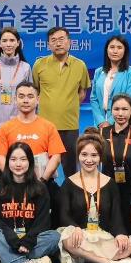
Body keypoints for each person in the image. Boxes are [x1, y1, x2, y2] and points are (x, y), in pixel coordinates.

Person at [57, 130, 131, 263]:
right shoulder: (68, 183)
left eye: (94, 155)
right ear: (78, 156)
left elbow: (116, 215)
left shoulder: (110, 183)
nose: (89, 160)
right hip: (79, 236)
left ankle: (84, 258)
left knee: (128, 246)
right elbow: (63, 215)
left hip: (101, 235)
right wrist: (75, 228)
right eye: (84, 155)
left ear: (100, 157)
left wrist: (120, 234)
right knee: (69, 241)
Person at [0, 142, 61, 263]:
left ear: (30, 162)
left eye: (23, 159)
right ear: (8, 162)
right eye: (13, 159)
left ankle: (7, 260)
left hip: (30, 242)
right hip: (6, 239)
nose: (18, 164)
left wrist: (28, 241)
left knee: (55, 236)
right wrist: (12, 238)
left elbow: (43, 222)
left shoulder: (40, 188)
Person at [32, 26, 90, 177]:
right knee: (43, 168)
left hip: (70, 125)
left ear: (69, 42)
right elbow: (36, 91)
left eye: (61, 39)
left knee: (70, 169)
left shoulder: (80, 65)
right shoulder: (39, 65)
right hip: (45, 126)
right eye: (53, 40)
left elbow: (82, 92)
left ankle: (70, 192)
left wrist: (67, 105)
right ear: (48, 45)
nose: (58, 43)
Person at [0, 27, 32, 179]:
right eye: (4, 41)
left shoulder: (26, 67)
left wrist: (31, 122)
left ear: (18, 43)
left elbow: (31, 97)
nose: (8, 44)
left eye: (12, 40)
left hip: (20, 124)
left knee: (20, 163)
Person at [0, 81, 66, 185]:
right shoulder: (4, 128)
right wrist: (14, 178)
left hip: (43, 183)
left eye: (30, 96)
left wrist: (42, 180)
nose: (25, 100)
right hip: (13, 183)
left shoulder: (49, 127)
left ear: (38, 99)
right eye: (21, 96)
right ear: (15, 99)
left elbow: (56, 157)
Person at [100, 94, 131, 232]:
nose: (120, 113)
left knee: (129, 229)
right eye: (116, 109)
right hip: (107, 189)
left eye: (124, 109)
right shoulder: (102, 133)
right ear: (111, 110)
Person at [91, 35, 131, 129]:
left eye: (119, 48)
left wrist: (110, 122)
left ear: (125, 51)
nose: (115, 51)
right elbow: (94, 98)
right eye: (112, 47)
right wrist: (100, 121)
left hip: (121, 122)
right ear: (107, 50)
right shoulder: (99, 72)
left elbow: (130, 99)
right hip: (100, 125)